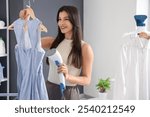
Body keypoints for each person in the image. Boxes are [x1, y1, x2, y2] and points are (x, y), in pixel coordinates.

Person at [41, 5, 94, 100]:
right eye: (59, 19)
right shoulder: (52, 42)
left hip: (68, 92)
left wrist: (68, 76)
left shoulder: (85, 48)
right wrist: (27, 24)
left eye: (66, 19)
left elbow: (87, 80)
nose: (61, 23)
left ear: (74, 20)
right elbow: (28, 44)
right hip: (49, 89)